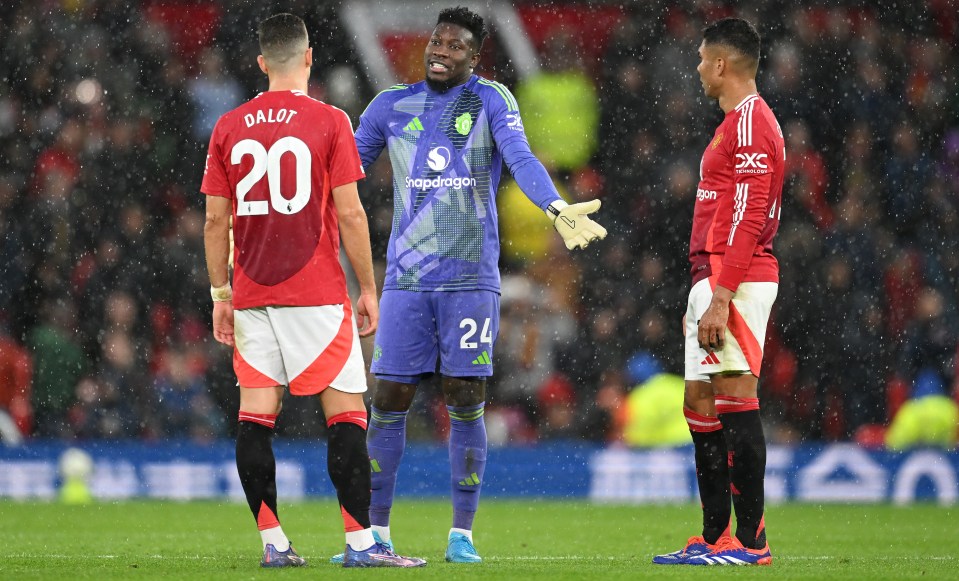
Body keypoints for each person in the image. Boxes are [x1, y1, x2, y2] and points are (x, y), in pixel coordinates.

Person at [332, 6, 607, 565]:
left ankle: (462, 534)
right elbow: (344, 178)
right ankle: (376, 533)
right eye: (437, 42)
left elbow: (521, 157)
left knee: (465, 399)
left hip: (469, 279)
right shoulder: (390, 105)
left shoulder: (491, 100)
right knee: (387, 399)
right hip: (407, 279)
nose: (440, 51)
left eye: (455, 46)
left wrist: (555, 207)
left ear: (474, 56)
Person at [201, 13, 425, 569]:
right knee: (346, 416)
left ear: (260, 62)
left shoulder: (229, 125)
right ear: (307, 58)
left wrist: (219, 294)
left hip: (252, 293)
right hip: (317, 293)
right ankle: (359, 544)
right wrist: (368, 286)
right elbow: (349, 211)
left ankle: (274, 542)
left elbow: (213, 222)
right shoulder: (329, 121)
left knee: (256, 415)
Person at [652, 18, 783, 567]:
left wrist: (723, 294)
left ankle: (751, 543)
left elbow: (751, 215)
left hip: (738, 277)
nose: (699, 68)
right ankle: (714, 539)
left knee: (734, 400)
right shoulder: (733, 124)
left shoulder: (752, 121)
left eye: (704, 59)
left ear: (724, 64)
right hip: (711, 277)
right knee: (700, 404)